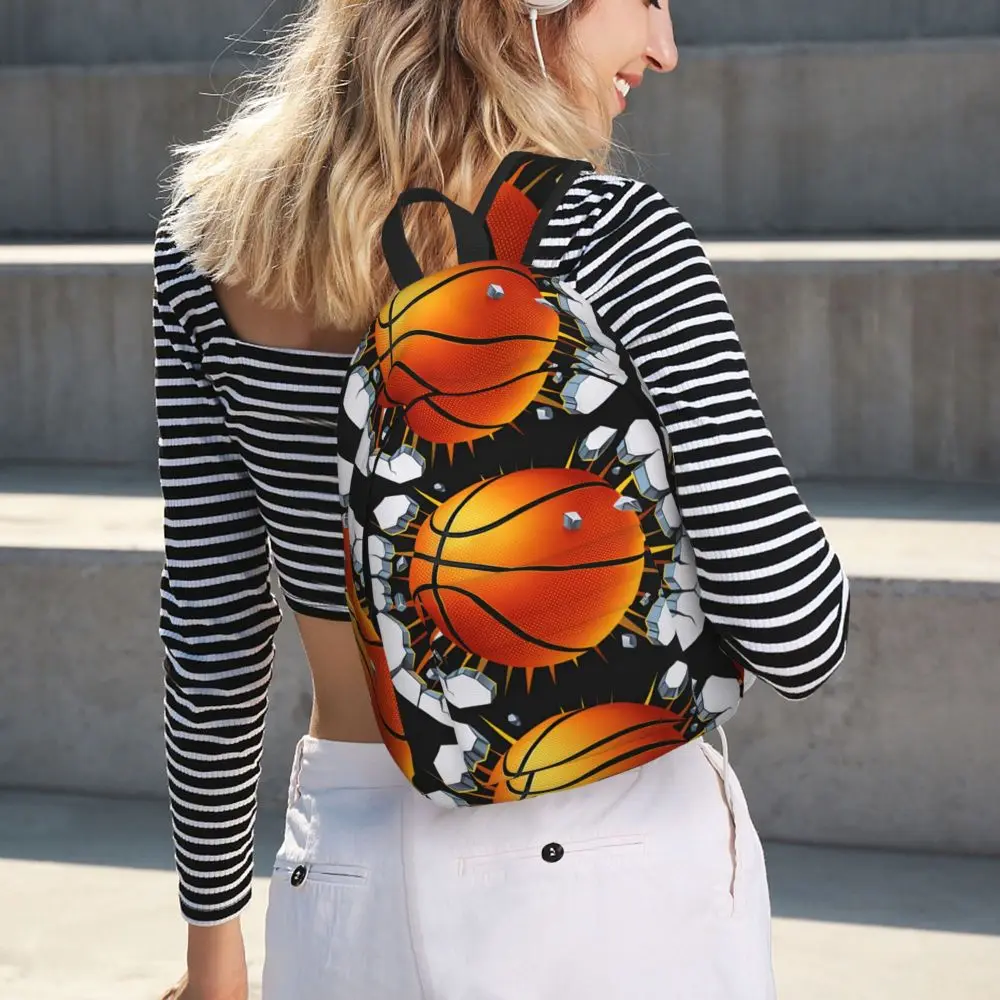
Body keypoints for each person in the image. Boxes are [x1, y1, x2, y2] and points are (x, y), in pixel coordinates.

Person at [153, 1, 850, 998]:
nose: (664, 49)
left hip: (347, 864)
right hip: (617, 857)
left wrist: (212, 953)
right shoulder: (613, 237)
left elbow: (213, 628)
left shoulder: (209, 243)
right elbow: (794, 629)